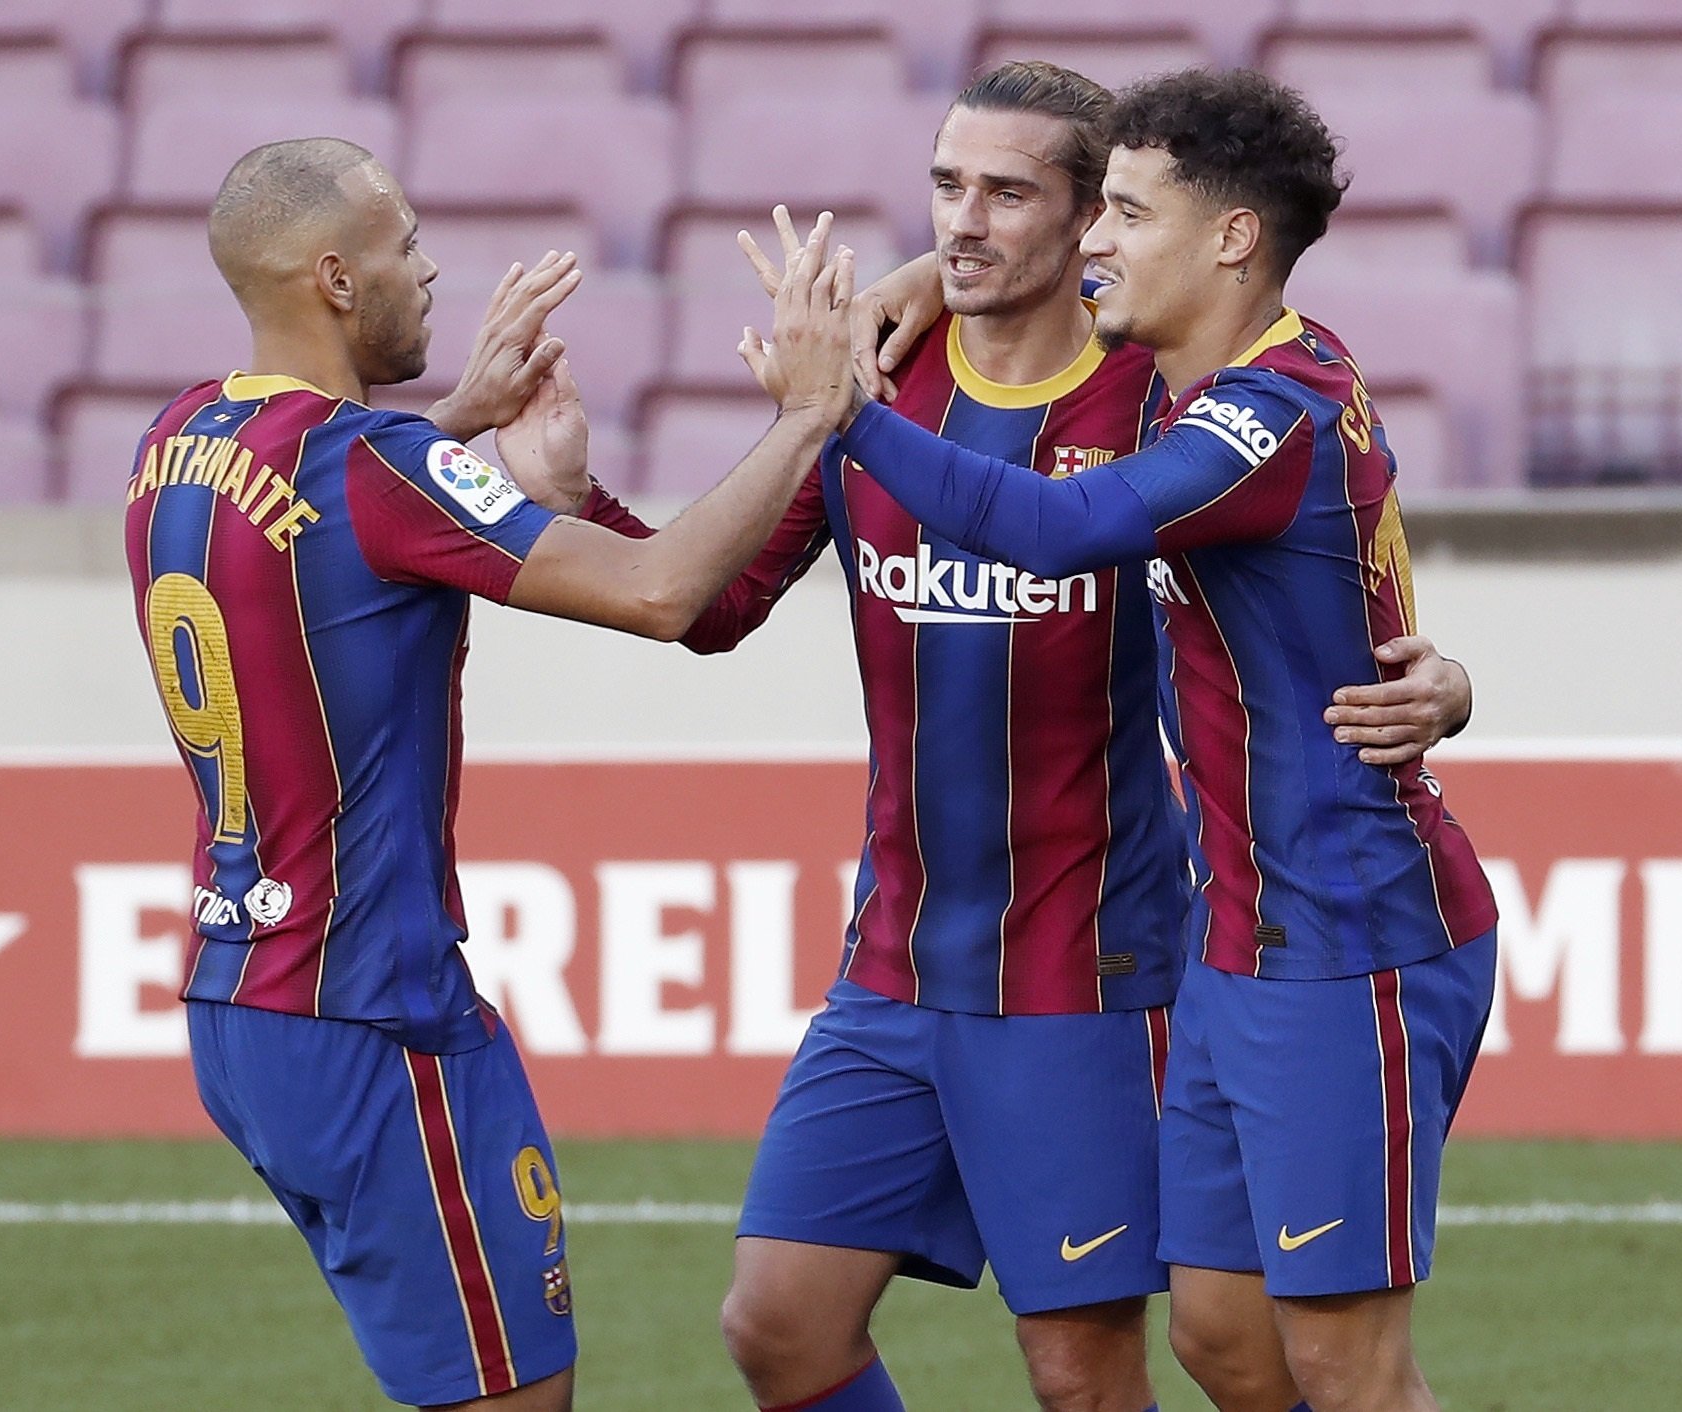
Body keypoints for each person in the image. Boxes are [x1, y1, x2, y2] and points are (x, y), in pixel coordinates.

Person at [500, 64, 1471, 1412]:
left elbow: (1293, 537)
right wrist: (582, 499)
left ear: (1092, 227)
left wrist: (1444, 674)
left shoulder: (1162, 394)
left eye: (1014, 193)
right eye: (947, 186)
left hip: (1098, 953)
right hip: (901, 953)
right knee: (779, 1323)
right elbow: (709, 606)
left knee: (1110, 1363)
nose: (962, 220)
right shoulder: (885, 382)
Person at [773, 68, 1499, 1412]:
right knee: (1220, 1339)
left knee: (1348, 1373)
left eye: (1124, 212)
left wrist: (847, 408)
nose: (1094, 239)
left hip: (1355, 938)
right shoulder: (1186, 378)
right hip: (1238, 939)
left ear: (1228, 239)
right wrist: (930, 285)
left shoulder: (1263, 412)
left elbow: (1061, 529)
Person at [122, 136, 855, 1412]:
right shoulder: (379, 474)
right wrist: (807, 412)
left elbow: (318, 505)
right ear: (339, 278)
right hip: (375, 1015)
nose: (432, 265)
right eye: (405, 241)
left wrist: (455, 426)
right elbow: (663, 588)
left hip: (238, 1005)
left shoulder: (176, 435)